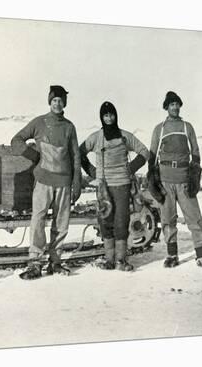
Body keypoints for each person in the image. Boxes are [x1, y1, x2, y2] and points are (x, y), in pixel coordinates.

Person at [11, 85, 82, 280]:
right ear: (49, 102)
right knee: (38, 220)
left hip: (64, 182)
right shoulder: (39, 123)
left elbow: (76, 156)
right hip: (43, 181)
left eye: (60, 101)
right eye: (54, 100)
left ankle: (55, 261)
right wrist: (35, 156)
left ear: (64, 103)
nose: (57, 104)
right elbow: (16, 141)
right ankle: (35, 262)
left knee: (62, 223)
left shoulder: (69, 127)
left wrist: (77, 181)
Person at [148, 91, 202, 269]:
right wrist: (153, 179)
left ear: (180, 106)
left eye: (177, 104)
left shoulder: (187, 127)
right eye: (171, 104)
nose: (174, 107)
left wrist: (194, 177)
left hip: (184, 179)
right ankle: (172, 255)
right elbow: (152, 155)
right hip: (165, 180)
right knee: (168, 219)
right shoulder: (160, 128)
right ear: (166, 107)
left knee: (194, 217)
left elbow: (195, 153)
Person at [79, 101, 149, 271]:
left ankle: (121, 260)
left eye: (111, 115)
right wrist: (92, 172)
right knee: (105, 221)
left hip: (122, 185)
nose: (109, 118)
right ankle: (109, 259)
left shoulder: (125, 136)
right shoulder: (96, 137)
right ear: (101, 117)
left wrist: (130, 169)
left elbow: (144, 152)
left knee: (121, 221)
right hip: (103, 187)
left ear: (116, 116)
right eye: (105, 115)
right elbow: (79, 153)